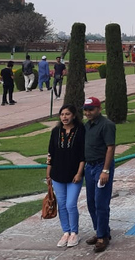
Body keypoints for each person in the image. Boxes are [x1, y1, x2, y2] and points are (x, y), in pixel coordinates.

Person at [46, 104, 86, 248]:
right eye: (62, 114)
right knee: (62, 205)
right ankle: (66, 232)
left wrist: (79, 172)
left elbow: (83, 154)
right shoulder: (56, 131)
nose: (65, 117)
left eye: (68, 114)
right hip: (57, 174)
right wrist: (48, 172)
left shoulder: (81, 130)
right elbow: (51, 152)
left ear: (74, 115)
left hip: (74, 174)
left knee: (70, 204)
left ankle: (74, 232)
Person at [82, 97, 116, 253]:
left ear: (99, 109)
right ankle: (101, 231)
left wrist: (106, 170)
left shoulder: (107, 125)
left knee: (101, 202)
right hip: (89, 166)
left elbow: (110, 148)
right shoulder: (87, 126)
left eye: (91, 109)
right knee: (91, 202)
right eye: (86, 109)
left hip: (101, 166)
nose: (88, 112)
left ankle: (102, 236)